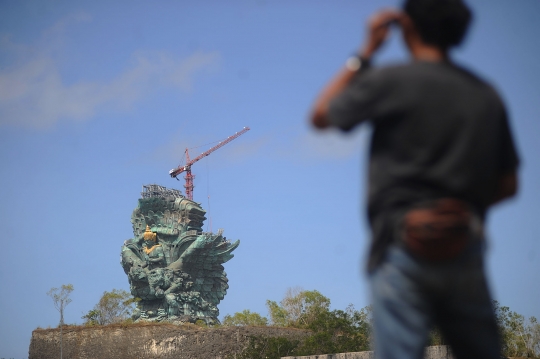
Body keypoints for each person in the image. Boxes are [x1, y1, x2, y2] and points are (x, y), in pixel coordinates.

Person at [310, 0, 519, 358]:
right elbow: (508, 185)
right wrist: (458, 210)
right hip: (464, 242)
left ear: (406, 26)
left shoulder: (389, 81)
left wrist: (366, 52)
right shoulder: (486, 95)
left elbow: (320, 115)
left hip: (401, 242)